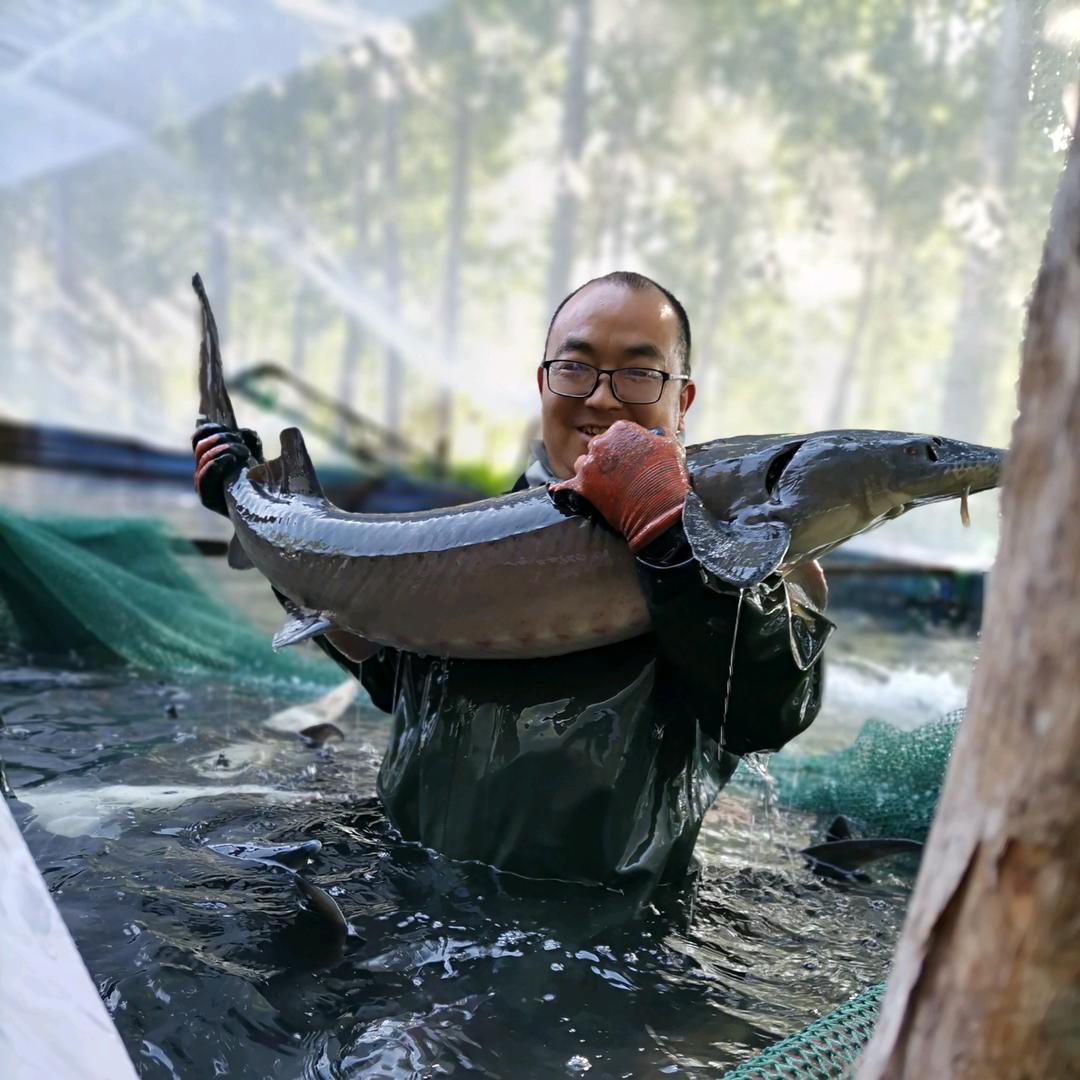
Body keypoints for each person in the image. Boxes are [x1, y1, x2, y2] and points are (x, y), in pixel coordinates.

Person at [192, 271, 829, 904]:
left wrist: (668, 541)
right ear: (543, 383)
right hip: (404, 890)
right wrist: (255, 516)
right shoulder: (460, 537)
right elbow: (391, 677)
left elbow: (766, 712)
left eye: (638, 372)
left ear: (681, 401)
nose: (602, 398)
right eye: (576, 367)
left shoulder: (741, 556)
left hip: (598, 936)